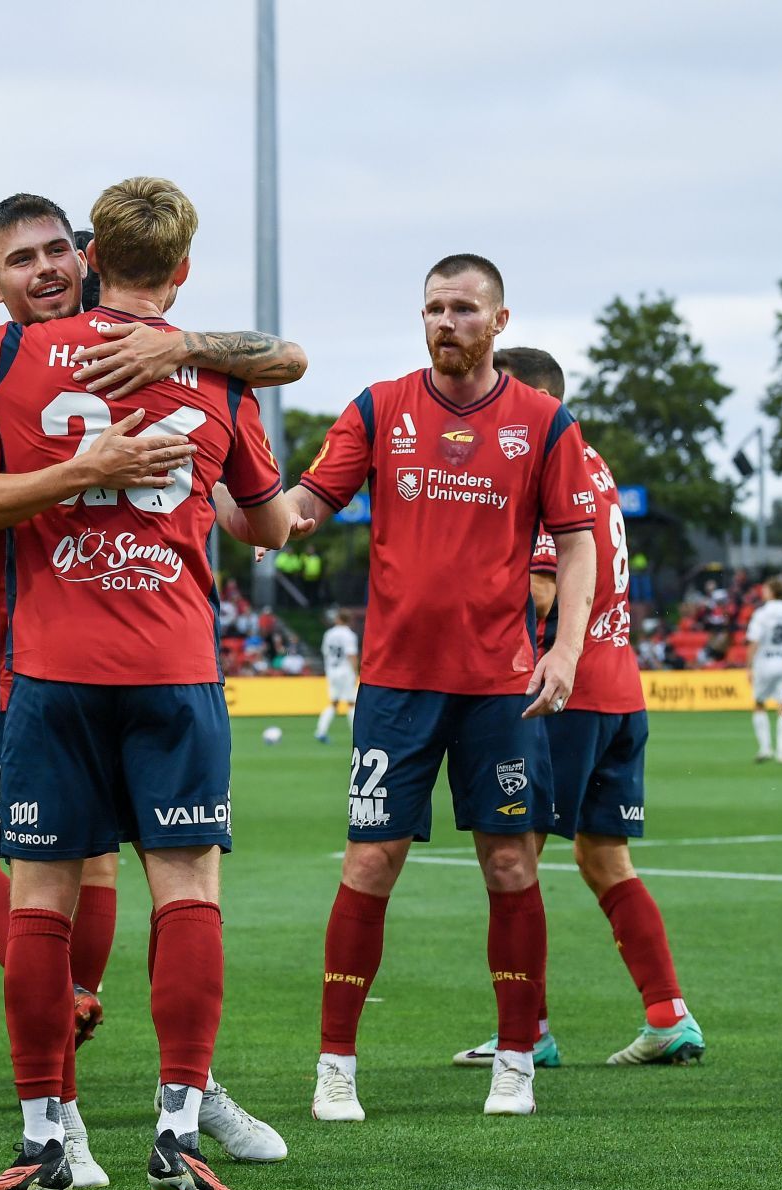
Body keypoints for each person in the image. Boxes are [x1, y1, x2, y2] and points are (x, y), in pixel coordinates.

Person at [0, 177, 297, 1190]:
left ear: (91, 258)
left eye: (54, 254)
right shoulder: (219, 383)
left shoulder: (3, 359)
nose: (45, 272)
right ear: (185, 270)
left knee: (42, 899)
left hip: (50, 670)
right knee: (186, 890)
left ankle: (46, 1137)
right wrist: (187, 373)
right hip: (173, 666)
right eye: (22, 262)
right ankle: (176, 1121)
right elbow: (273, 525)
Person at [279, 257, 598, 1122]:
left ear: (499, 321)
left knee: (508, 864)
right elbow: (308, 501)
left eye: (462, 308)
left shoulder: (542, 421)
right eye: (432, 308)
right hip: (395, 685)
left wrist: (564, 648)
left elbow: (576, 543)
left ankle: (517, 1059)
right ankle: (336, 1064)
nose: (444, 321)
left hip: (500, 685)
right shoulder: (381, 407)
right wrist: (248, 504)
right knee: (371, 862)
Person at [450, 347, 704, 1071]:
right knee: (606, 859)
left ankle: (526, 1032)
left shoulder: (539, 462)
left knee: (512, 860)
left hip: (563, 694)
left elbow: (539, 589)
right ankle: (668, 1014)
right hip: (620, 688)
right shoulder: (595, 463)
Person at [747, 577, 782, 763]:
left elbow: (754, 641)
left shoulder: (761, 614)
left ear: (772, 592)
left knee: (759, 704)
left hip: (765, 662)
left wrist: (748, 666)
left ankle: (765, 748)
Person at [315, 610, 359, 743]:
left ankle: (320, 731)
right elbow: (351, 654)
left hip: (332, 670)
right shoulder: (349, 635)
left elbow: (325, 652)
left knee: (334, 702)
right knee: (351, 703)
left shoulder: (329, 634)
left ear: (338, 619)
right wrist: (356, 672)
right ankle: (356, 734)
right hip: (345, 671)